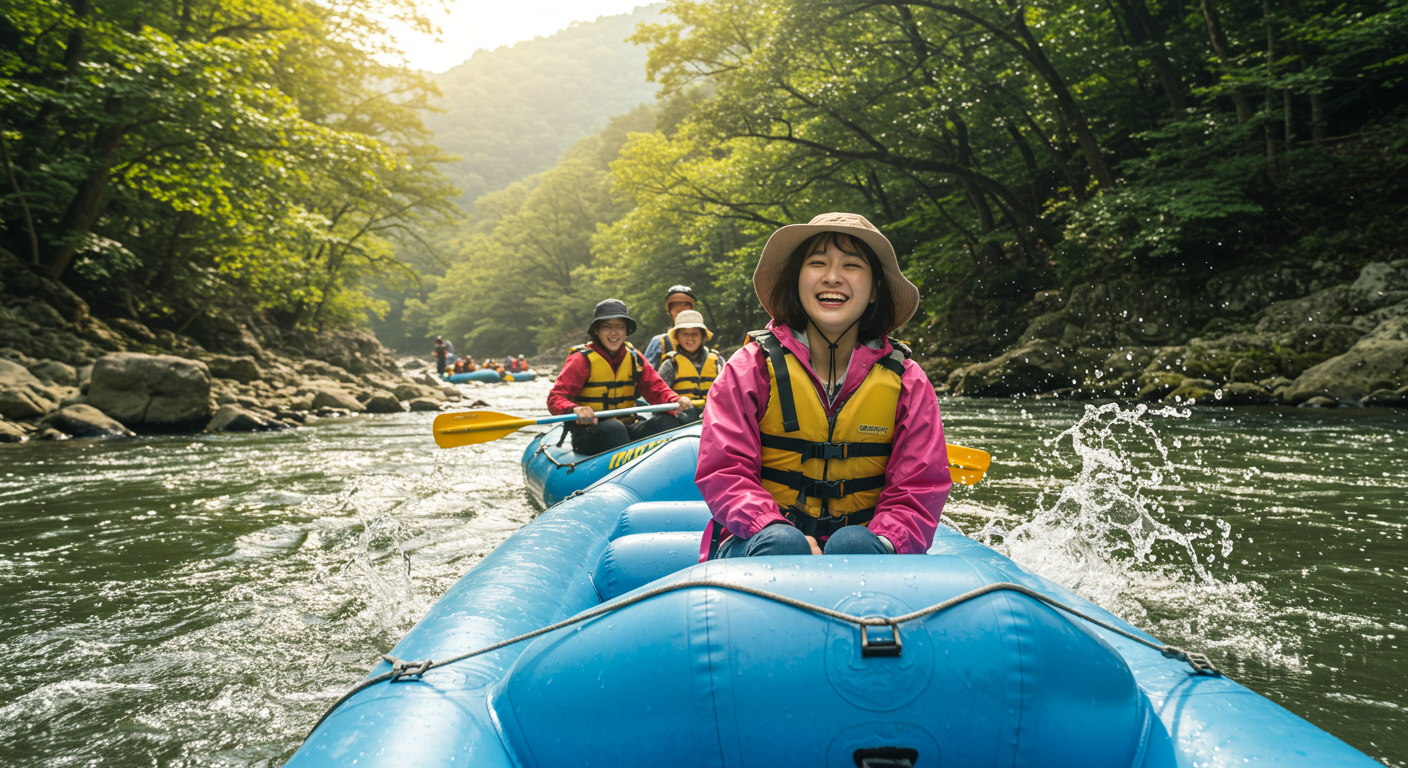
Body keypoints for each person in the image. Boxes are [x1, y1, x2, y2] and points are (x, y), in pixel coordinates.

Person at [696, 212, 951, 561]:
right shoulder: (750, 368)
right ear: (796, 281)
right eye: (817, 263)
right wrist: (769, 525)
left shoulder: (908, 381)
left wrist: (884, 540)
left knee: (854, 546)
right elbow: (725, 471)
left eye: (852, 265)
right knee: (785, 545)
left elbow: (918, 487)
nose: (832, 277)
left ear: (875, 288)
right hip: (758, 541)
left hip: (866, 545)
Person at [548, 299, 692, 455]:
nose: (614, 333)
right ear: (596, 331)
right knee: (614, 428)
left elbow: (656, 389)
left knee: (667, 421)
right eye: (607, 327)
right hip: (590, 432)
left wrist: (675, 400)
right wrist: (574, 409)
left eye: (619, 327)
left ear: (626, 331)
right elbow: (555, 399)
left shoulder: (634, 358)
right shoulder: (581, 360)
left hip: (627, 426)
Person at [656, 310, 720, 425]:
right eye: (685, 334)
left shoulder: (717, 361)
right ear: (677, 337)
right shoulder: (670, 364)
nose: (690, 339)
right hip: (682, 420)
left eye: (694, 334)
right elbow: (660, 398)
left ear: (702, 336)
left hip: (713, 416)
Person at [643, 285, 698, 369]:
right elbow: (646, 375)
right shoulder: (659, 342)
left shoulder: (701, 339)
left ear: (692, 309)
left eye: (685, 304)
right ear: (670, 311)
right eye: (675, 305)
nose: (680, 308)